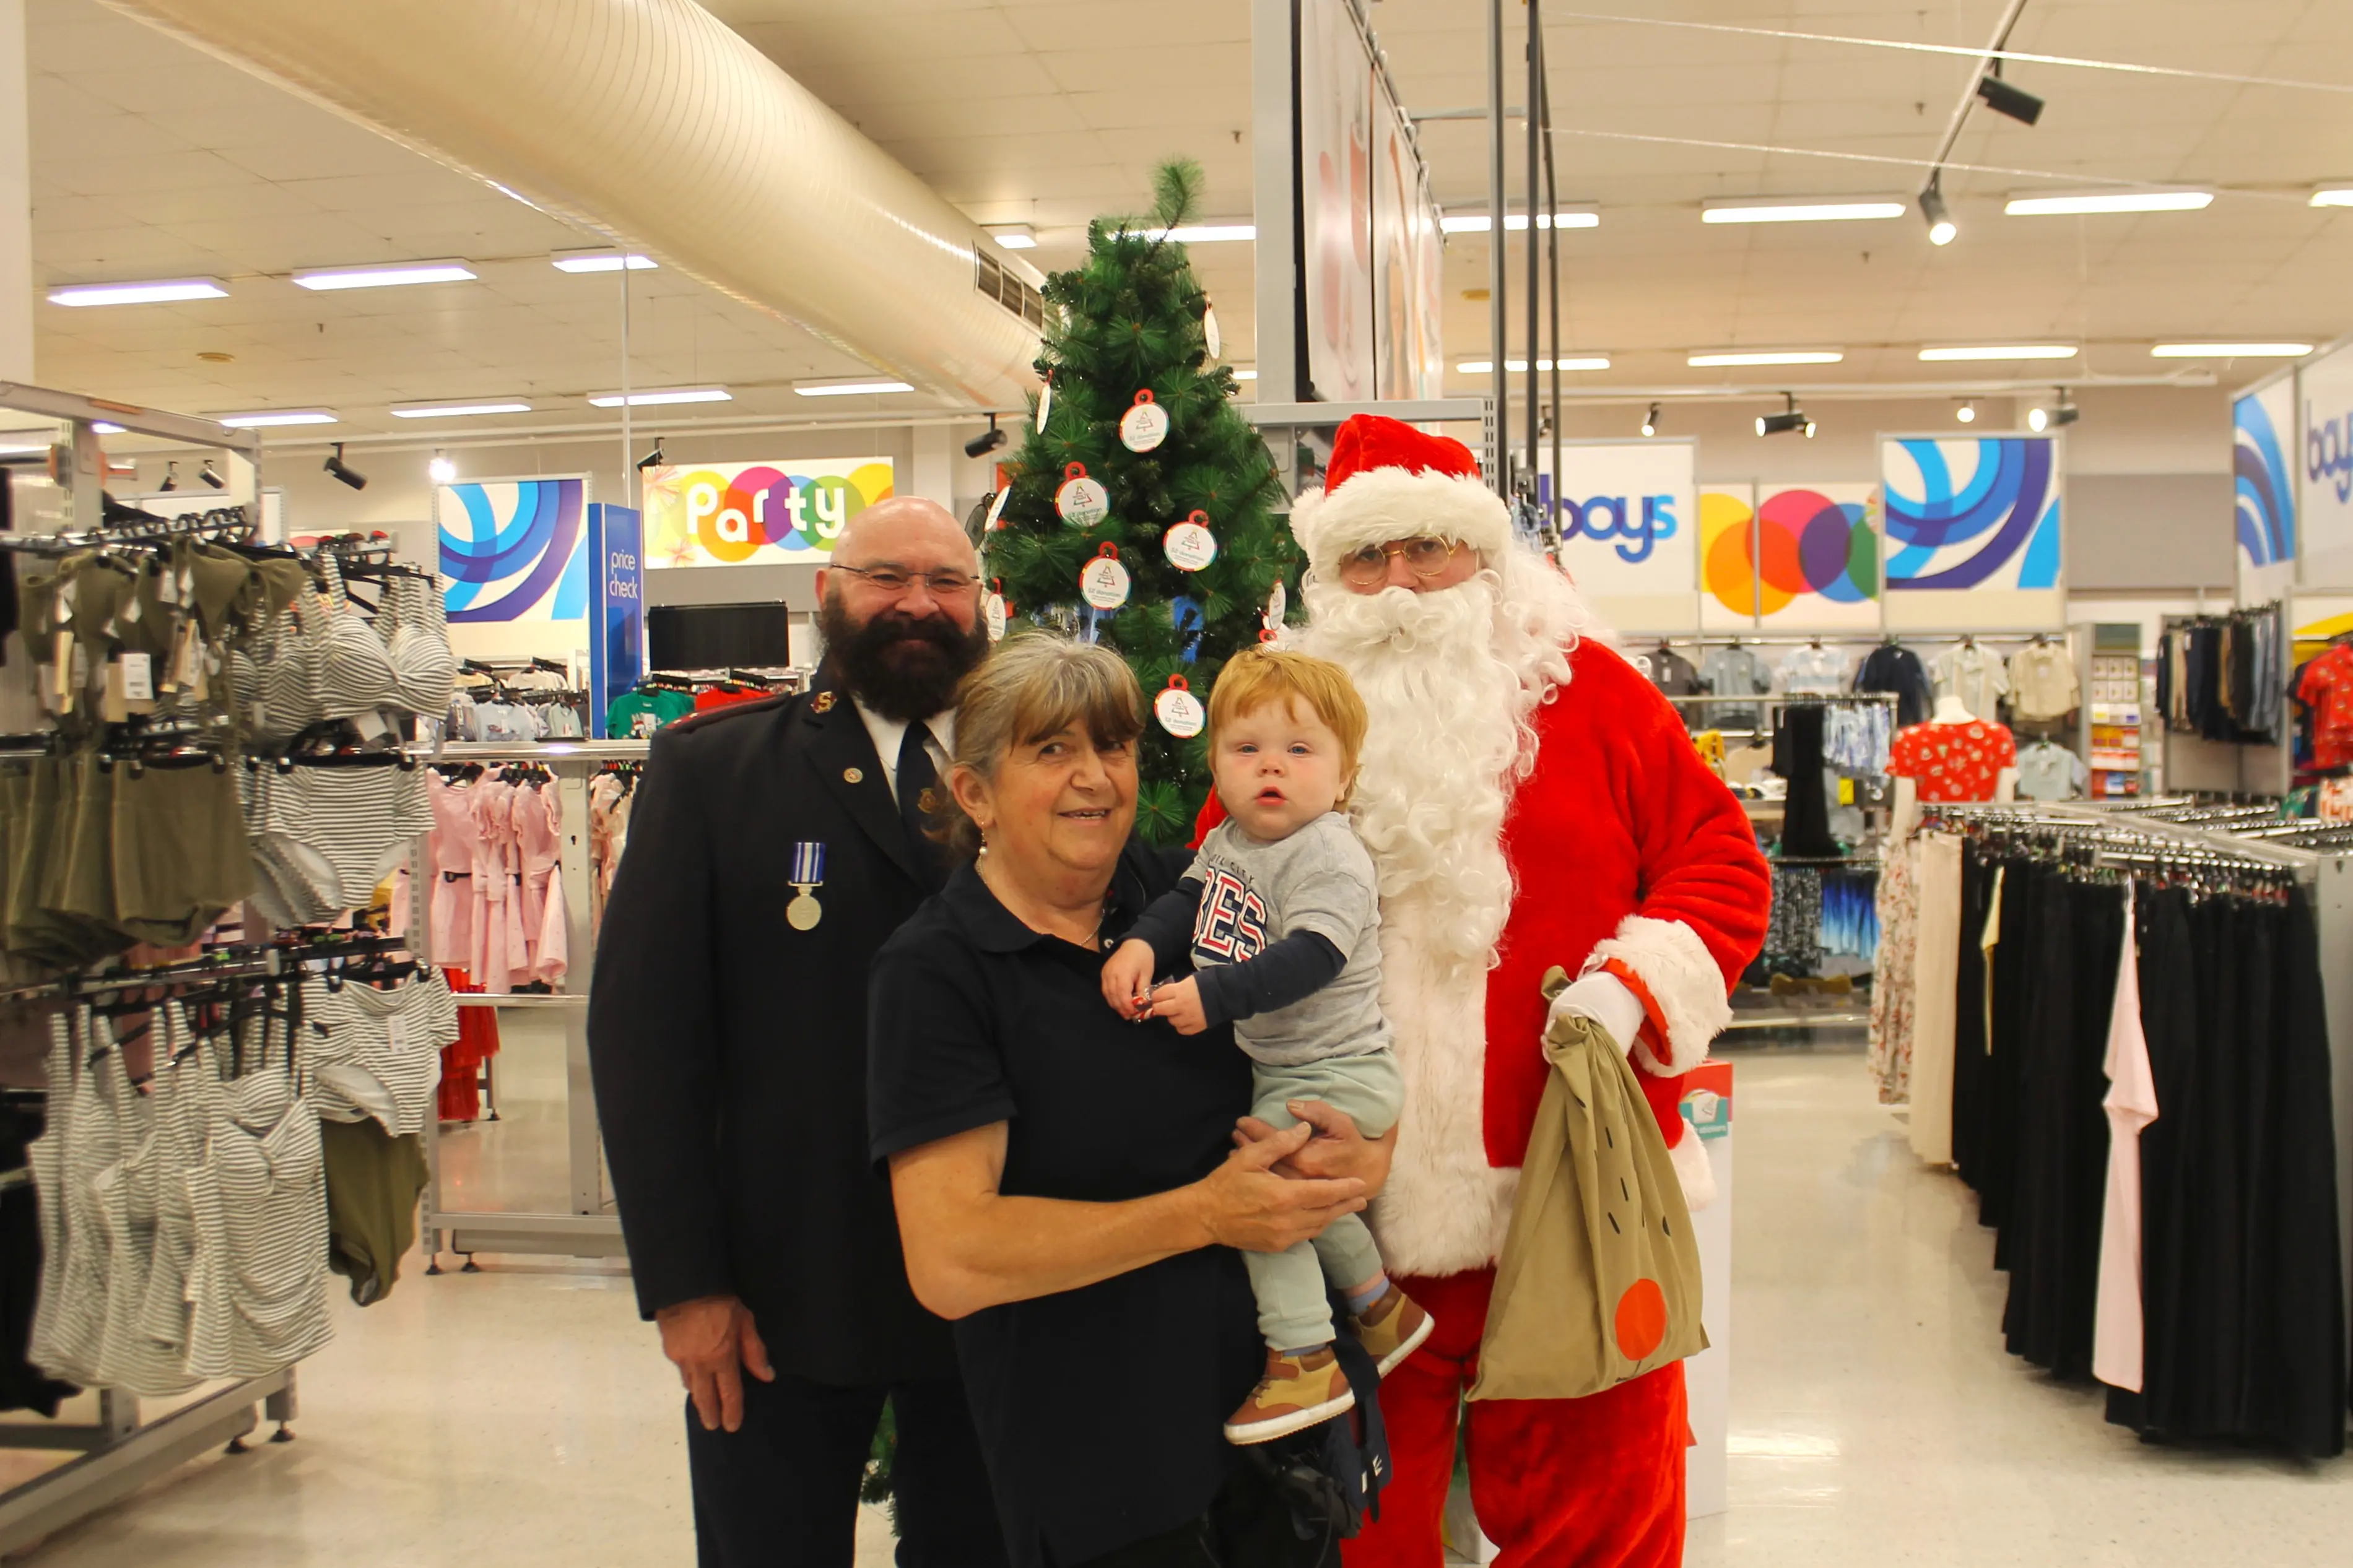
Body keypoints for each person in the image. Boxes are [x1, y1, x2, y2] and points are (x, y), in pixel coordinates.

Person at [1275, 415, 1770, 1567]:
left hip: (1573, 1196)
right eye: (1366, 558)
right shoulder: (1290, 719)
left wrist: (1632, 987)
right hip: (1358, 1215)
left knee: (1602, 1519)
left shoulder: (1593, 693)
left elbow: (1723, 864)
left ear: (1485, 558)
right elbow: (1223, 886)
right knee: (1356, 1532)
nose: (1398, 585)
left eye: (1427, 551)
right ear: (1330, 579)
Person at [868, 634, 1388, 1568]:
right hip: (1104, 1466)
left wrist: (1360, 1154)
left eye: (1113, 746)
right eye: (1052, 750)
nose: (1096, 778)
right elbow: (950, 1259)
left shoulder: (1179, 890)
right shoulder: (940, 973)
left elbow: (1328, 1027)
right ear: (974, 793)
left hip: (1278, 1430)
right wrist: (1206, 1216)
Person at [587, 496, 1008, 1567]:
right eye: (887, 578)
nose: (919, 604)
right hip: (780, 1291)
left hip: (998, 1277)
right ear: (829, 595)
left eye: (946, 582)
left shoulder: (1038, 776)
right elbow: (646, 1048)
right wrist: (686, 1288)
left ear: (981, 604)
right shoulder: (712, 772)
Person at [1101, 646, 1432, 1445]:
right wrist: (1145, 944)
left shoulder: (1329, 853)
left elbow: (1311, 957)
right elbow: (1189, 898)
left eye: (1300, 750)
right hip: (1289, 1066)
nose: (1271, 769)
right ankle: (1381, 1310)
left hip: (1344, 1067)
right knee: (1306, 1199)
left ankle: (1302, 1355)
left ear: (1344, 775)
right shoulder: (1230, 843)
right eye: (1246, 750)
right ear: (1216, 762)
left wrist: (1213, 995)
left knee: (1265, 1200)